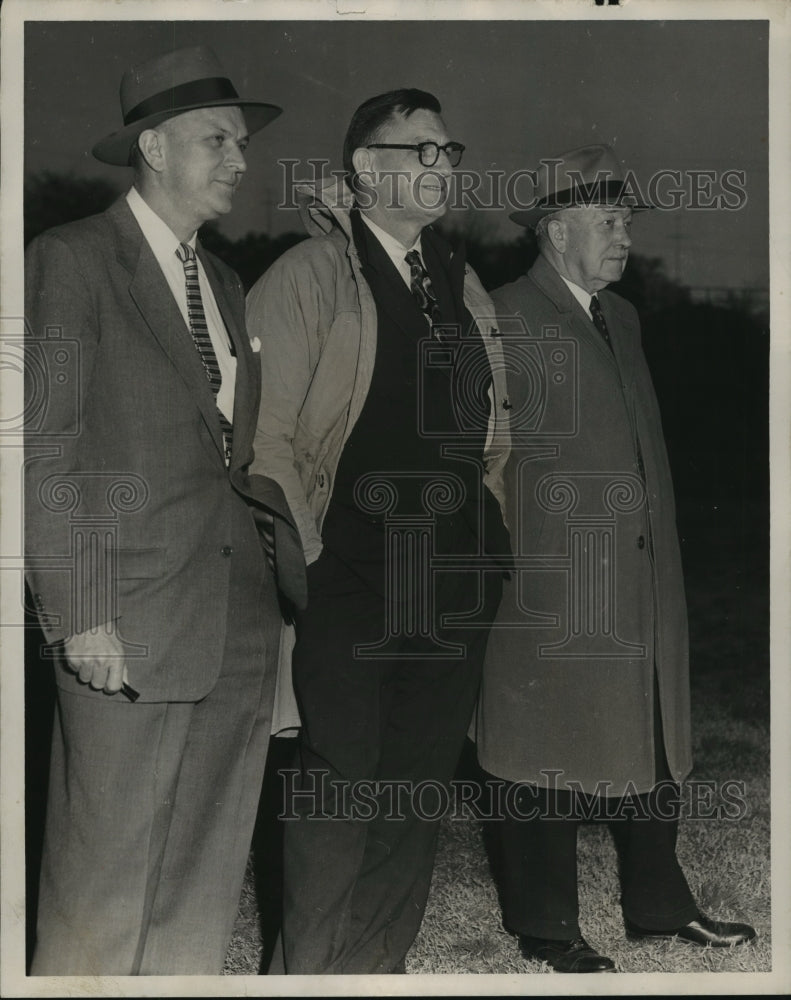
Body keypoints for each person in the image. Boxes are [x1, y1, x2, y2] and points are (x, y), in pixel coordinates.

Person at [24, 44, 306, 975]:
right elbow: (44, 446)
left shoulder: (223, 284)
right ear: (152, 146)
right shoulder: (69, 260)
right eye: (216, 139)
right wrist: (81, 613)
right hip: (127, 626)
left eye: (241, 142)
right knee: (102, 880)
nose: (239, 159)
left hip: (232, 627)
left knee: (202, 870)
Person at [246, 88, 512, 974]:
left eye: (449, 151)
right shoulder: (306, 276)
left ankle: (375, 969)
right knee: (335, 790)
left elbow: (495, 427)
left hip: (454, 580)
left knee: (414, 791)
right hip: (350, 581)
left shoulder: (459, 282)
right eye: (419, 152)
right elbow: (267, 440)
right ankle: (308, 976)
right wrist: (309, 568)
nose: (441, 167)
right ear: (365, 170)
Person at [472, 144, 755, 972]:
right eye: (607, 220)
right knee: (536, 751)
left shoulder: (621, 315)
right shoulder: (500, 316)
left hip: (639, 577)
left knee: (648, 738)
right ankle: (546, 927)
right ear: (555, 231)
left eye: (626, 219)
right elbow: (472, 459)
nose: (623, 234)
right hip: (550, 586)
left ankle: (658, 908)